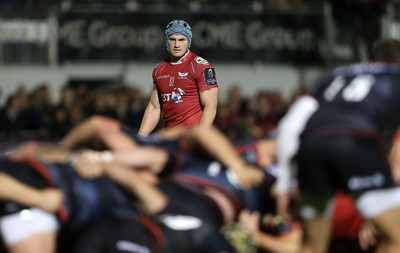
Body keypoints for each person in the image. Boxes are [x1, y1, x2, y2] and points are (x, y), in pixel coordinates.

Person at [276, 38, 400, 253]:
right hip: (355, 144)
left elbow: (292, 123)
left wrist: (283, 187)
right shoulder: (396, 77)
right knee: (397, 239)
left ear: (368, 60)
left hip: (311, 149)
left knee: (313, 246)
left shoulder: (337, 75)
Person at [138, 19, 219, 136]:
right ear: (166, 41)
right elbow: (154, 108)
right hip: (170, 137)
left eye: (181, 40)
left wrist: (199, 137)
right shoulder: (159, 70)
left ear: (188, 41)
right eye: (172, 39)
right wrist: (141, 137)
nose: (176, 45)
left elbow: (210, 106)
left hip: (191, 137)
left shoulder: (200, 66)